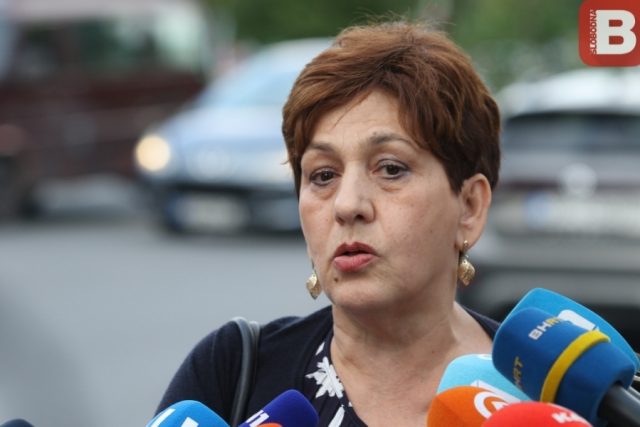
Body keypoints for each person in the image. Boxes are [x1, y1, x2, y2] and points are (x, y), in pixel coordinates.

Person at [155, 19, 501, 426]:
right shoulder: (231, 369)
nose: (347, 205)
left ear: (469, 207)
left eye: (390, 169)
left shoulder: (541, 383)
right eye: (322, 175)